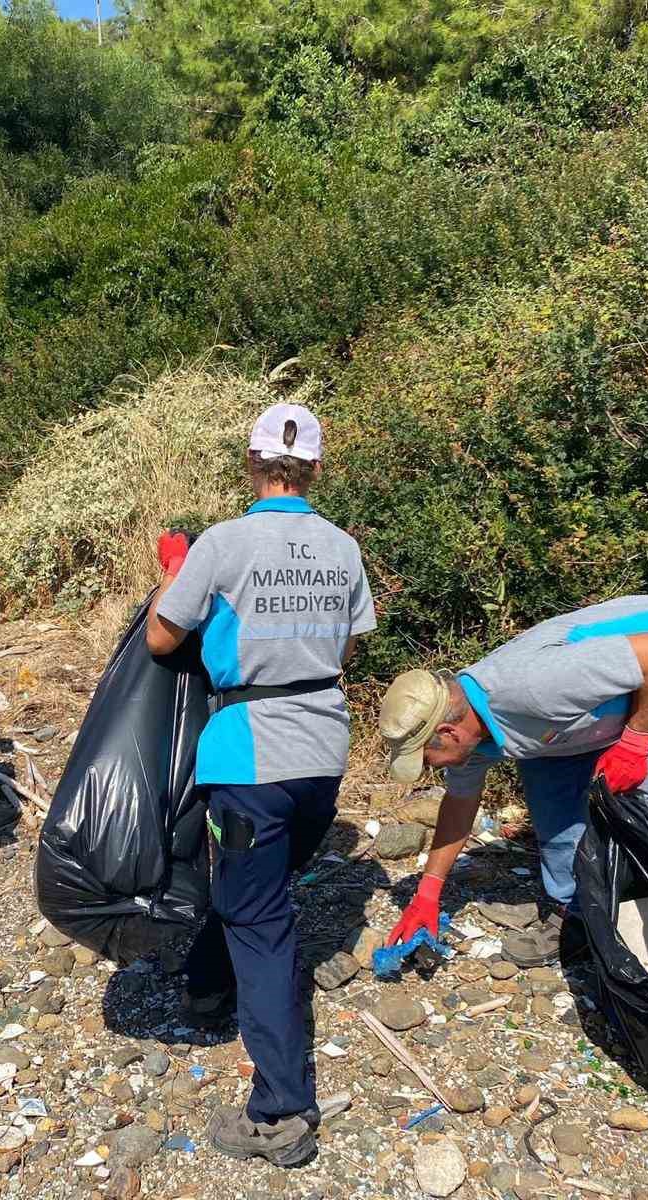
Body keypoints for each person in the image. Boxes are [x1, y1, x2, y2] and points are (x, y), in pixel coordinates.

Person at [145, 402, 376, 1167]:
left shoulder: (223, 542)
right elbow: (345, 643)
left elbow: (160, 637)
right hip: (324, 749)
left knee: (261, 919)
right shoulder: (343, 547)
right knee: (255, 890)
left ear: (251, 464)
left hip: (249, 753)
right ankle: (208, 984)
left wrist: (175, 580)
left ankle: (280, 1110)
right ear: (314, 467)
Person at [378, 595, 648, 966]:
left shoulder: (532, 689)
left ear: (449, 731)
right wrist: (428, 892)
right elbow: (459, 805)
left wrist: (636, 741)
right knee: (548, 785)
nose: (428, 768)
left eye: (426, 757)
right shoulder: (470, 737)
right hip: (619, 690)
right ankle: (579, 914)